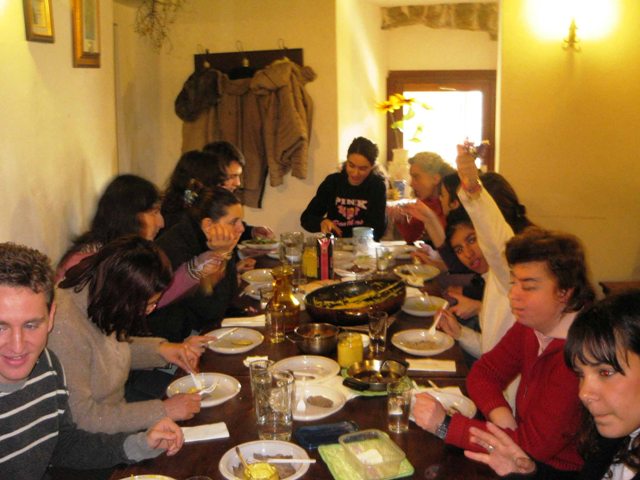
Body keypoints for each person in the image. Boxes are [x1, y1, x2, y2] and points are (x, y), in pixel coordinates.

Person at [414, 227, 596, 478]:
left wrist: (444, 425)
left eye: (528, 286)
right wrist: (502, 416)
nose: (513, 295)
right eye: (513, 282)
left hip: (553, 472)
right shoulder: (532, 326)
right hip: (521, 456)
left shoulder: (581, 358)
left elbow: (530, 448)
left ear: (565, 291)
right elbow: (484, 373)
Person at [0, 242, 184, 479]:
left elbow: (62, 443)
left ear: (51, 316)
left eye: (31, 325)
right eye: (1, 327)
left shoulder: (47, 366)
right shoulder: (63, 332)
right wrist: (161, 410)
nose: (17, 346)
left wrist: (139, 444)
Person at [463, 290, 640, 480]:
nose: (584, 393)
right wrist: (529, 472)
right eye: (581, 374)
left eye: (605, 373)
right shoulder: (614, 436)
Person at [47, 236, 206, 434]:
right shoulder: (64, 326)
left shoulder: (100, 296)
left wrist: (161, 350)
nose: (150, 311)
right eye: (149, 304)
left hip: (116, 419)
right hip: (93, 437)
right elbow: (82, 418)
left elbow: (105, 351)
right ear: (125, 295)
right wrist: (163, 410)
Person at [150, 185, 245, 341]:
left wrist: (226, 253)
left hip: (193, 329)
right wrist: (222, 253)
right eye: (234, 222)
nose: (241, 228)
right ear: (208, 225)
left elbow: (230, 294)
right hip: (169, 340)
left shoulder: (205, 238)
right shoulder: (177, 247)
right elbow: (212, 310)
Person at [56, 174, 164, 281]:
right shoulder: (86, 266)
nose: (161, 223)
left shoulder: (121, 255)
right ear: (128, 216)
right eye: (154, 212)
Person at [300, 136, 387, 241]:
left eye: (363, 168)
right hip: (336, 245)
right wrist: (321, 222)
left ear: (372, 166)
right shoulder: (333, 182)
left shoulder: (377, 186)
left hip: (364, 246)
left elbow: (379, 229)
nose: (355, 173)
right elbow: (306, 218)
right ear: (347, 161)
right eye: (351, 165)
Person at [392, 151, 455, 244]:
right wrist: (400, 219)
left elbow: (451, 243)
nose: (411, 184)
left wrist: (431, 217)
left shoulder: (454, 202)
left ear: (435, 178)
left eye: (416, 177)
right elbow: (411, 237)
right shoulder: (426, 202)